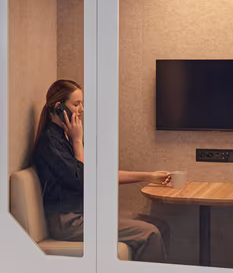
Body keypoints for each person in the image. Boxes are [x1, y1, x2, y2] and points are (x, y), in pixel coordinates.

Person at [31, 79, 170, 262]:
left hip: (83, 214)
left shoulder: (66, 136)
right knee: (150, 233)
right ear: (58, 107)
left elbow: (99, 174)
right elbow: (84, 181)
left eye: (82, 103)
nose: (81, 109)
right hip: (67, 221)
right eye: (76, 104)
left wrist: (149, 176)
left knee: (160, 224)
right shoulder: (50, 142)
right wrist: (77, 142)